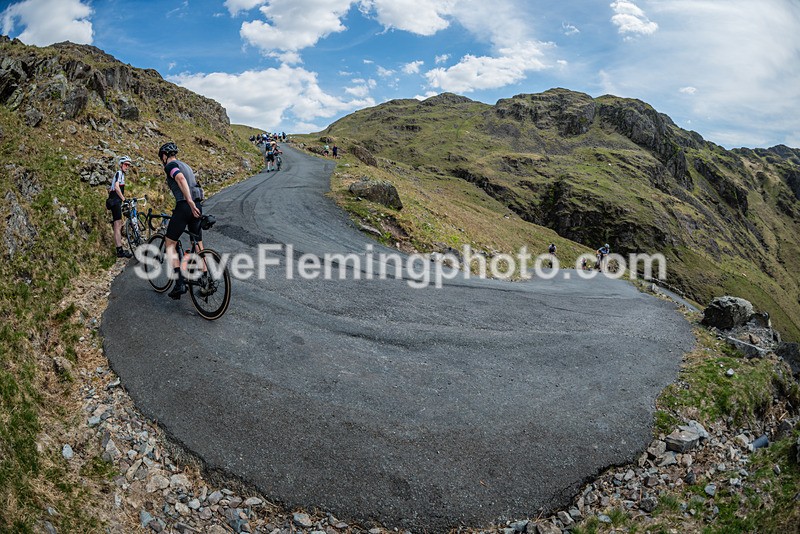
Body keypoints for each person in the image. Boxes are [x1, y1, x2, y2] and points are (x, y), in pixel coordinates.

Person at [158, 142, 205, 299]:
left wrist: (189, 201)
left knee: (170, 242)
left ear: (164, 156)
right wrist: (194, 202)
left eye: (162, 158)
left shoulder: (170, 166)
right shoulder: (186, 165)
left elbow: (180, 178)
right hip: (198, 204)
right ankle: (205, 277)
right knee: (197, 241)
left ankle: (179, 284)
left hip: (186, 205)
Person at [106, 156, 133, 258]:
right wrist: (123, 199)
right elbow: (116, 187)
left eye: (128, 165)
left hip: (116, 201)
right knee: (117, 225)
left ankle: (120, 248)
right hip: (115, 201)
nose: (127, 167)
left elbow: (113, 188)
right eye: (126, 165)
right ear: (121, 164)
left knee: (119, 224)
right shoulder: (119, 173)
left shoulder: (121, 174)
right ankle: (119, 250)